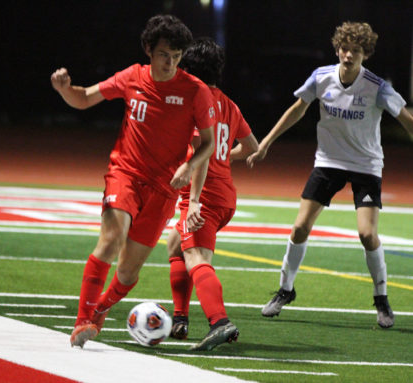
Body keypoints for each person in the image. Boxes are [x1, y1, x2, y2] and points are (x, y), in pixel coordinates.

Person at [51, 15, 217, 348]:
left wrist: (189, 165)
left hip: (164, 189)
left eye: (176, 56)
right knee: (111, 239)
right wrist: (64, 89)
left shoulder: (195, 91)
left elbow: (209, 144)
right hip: (125, 174)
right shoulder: (132, 77)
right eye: (164, 54)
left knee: (127, 273)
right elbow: (84, 98)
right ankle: (82, 320)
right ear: (149, 51)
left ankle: (99, 310)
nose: (170, 62)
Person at [247, 21, 413, 329]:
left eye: (356, 51)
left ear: (366, 54)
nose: (348, 55)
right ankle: (285, 290)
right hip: (328, 161)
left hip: (366, 165)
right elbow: (298, 108)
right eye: (345, 49)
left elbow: (405, 119)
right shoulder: (321, 78)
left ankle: (381, 298)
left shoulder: (377, 87)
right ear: (337, 48)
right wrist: (266, 142)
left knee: (367, 234)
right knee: (299, 227)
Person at [167, 38, 258, 351]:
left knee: (196, 257)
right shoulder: (229, 104)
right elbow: (251, 147)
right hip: (225, 194)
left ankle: (219, 322)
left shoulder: (196, 99)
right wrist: (223, 156)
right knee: (176, 244)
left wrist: (193, 200)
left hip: (203, 193)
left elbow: (199, 153)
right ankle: (180, 319)